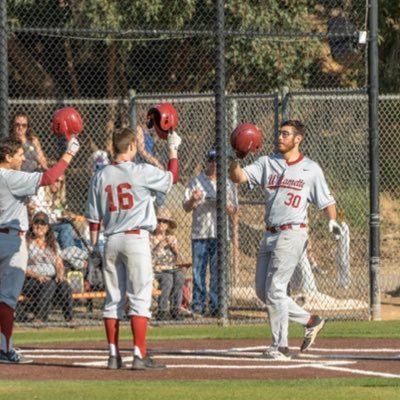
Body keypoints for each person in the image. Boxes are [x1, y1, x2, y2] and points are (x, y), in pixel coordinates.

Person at [229, 119, 341, 359]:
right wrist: (234, 157)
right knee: (263, 291)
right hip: (269, 233)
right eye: (279, 133)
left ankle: (280, 346)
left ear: (298, 139)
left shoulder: (311, 169)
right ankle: (311, 320)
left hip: (293, 232)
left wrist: (332, 221)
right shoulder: (267, 162)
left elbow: (327, 200)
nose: (280, 137)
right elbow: (238, 178)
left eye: (286, 134)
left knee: (276, 289)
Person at [85, 127, 181, 370]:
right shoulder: (140, 171)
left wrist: (94, 247)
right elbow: (172, 178)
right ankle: (139, 354)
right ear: (130, 148)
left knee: (113, 299)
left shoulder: (100, 175)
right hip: (136, 238)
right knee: (139, 297)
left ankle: (113, 356)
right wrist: (172, 149)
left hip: (111, 239)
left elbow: (94, 218)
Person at [0, 135, 79, 363]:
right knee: (6, 298)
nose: (23, 157)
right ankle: (6, 350)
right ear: (7, 156)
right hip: (12, 241)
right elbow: (50, 177)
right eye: (18, 154)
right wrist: (70, 152)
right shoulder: (10, 176)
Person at [183, 148, 238, 318]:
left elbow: (233, 210)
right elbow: (186, 207)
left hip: (220, 233)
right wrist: (194, 199)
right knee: (198, 270)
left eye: (218, 161)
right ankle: (198, 305)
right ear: (207, 162)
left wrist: (224, 204)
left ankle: (215, 305)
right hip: (200, 232)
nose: (214, 164)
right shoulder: (196, 181)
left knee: (217, 270)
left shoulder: (228, 183)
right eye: (212, 161)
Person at [22, 212, 73, 323]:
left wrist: (60, 274)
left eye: (43, 223)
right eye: (36, 222)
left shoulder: (53, 244)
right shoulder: (26, 243)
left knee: (64, 284)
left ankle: (69, 318)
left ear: (47, 227)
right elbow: (22, 267)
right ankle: (40, 317)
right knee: (49, 283)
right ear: (32, 225)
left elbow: (59, 263)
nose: (39, 226)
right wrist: (37, 275)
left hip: (51, 280)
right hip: (31, 281)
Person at [150, 207, 185, 321]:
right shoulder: (150, 237)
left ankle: (176, 309)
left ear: (168, 224)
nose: (161, 224)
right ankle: (163, 310)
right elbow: (149, 259)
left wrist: (175, 250)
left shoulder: (172, 238)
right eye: (159, 221)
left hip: (172, 267)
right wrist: (160, 246)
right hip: (157, 269)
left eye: (164, 221)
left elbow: (180, 260)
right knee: (167, 278)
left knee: (179, 276)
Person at [28, 171, 78, 249]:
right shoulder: (40, 191)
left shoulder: (58, 197)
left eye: (60, 182)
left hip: (54, 224)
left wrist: (67, 215)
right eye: (56, 180)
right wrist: (56, 217)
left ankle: (71, 253)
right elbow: (38, 213)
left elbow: (60, 212)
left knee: (72, 233)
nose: (57, 184)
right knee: (66, 228)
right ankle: (70, 254)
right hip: (41, 224)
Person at [135, 124, 166, 208]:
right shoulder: (139, 128)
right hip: (141, 164)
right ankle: (159, 207)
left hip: (150, 165)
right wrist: (155, 162)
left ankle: (158, 207)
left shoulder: (149, 130)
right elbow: (141, 150)